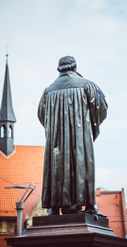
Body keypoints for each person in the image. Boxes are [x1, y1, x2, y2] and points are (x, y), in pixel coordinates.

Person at [38, 56, 108, 215]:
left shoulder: (48, 91)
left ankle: (54, 208)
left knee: (56, 168)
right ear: (75, 67)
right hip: (80, 138)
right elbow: (101, 108)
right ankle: (89, 206)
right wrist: (88, 126)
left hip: (56, 141)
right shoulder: (87, 85)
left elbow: (42, 115)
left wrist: (56, 130)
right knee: (82, 164)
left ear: (59, 69)